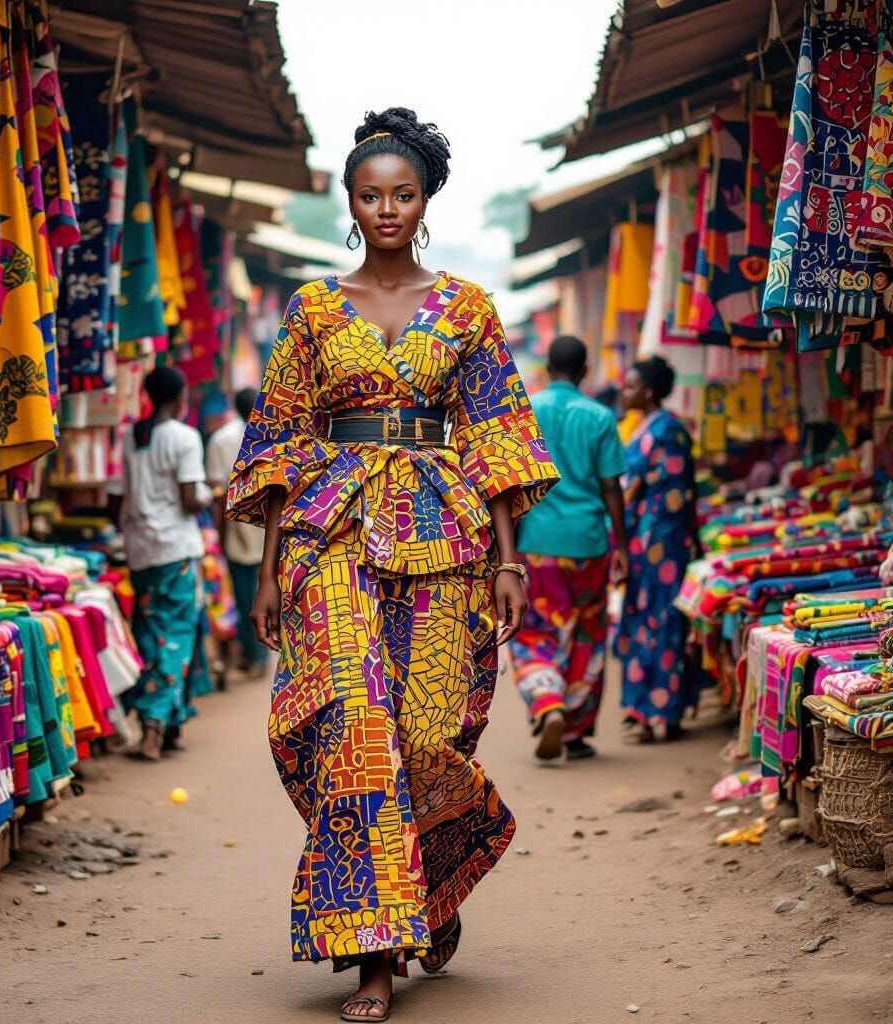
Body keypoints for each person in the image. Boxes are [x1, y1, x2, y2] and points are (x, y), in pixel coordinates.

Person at [226, 107, 558, 1023]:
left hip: (445, 536)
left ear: (425, 201)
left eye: (402, 195)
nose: (385, 209)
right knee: (354, 730)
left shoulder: (469, 308)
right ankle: (374, 958)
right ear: (349, 198)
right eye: (370, 195)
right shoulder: (311, 309)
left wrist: (510, 559)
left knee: (425, 735)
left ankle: (436, 875)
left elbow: (495, 428)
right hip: (329, 533)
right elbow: (280, 439)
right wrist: (264, 569)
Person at [511, 336, 628, 761]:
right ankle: (576, 732)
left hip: (539, 543)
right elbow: (612, 485)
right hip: (590, 542)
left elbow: (513, 484)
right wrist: (624, 548)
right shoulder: (599, 416)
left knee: (537, 628)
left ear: (545, 367)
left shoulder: (527, 412)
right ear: (585, 370)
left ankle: (547, 702)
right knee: (586, 632)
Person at [108, 366, 210, 761]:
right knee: (178, 635)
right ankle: (153, 725)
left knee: (152, 633)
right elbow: (189, 499)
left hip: (141, 551)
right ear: (181, 396)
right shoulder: (184, 438)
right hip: (176, 551)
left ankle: (171, 725)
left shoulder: (131, 436)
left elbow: (114, 501)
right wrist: (207, 496)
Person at [615, 356, 701, 743]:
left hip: (662, 544)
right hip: (650, 542)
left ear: (648, 392)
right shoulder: (651, 428)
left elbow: (670, 495)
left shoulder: (666, 431)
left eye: (631, 386)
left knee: (663, 623)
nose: (625, 391)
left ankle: (661, 712)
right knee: (647, 622)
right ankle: (650, 710)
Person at [206, 387, 267, 676]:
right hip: (264, 529)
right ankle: (255, 655)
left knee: (242, 595)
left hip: (237, 527)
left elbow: (217, 493)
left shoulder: (222, 439)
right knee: (256, 593)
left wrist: (216, 533)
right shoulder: (274, 435)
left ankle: (250, 653)